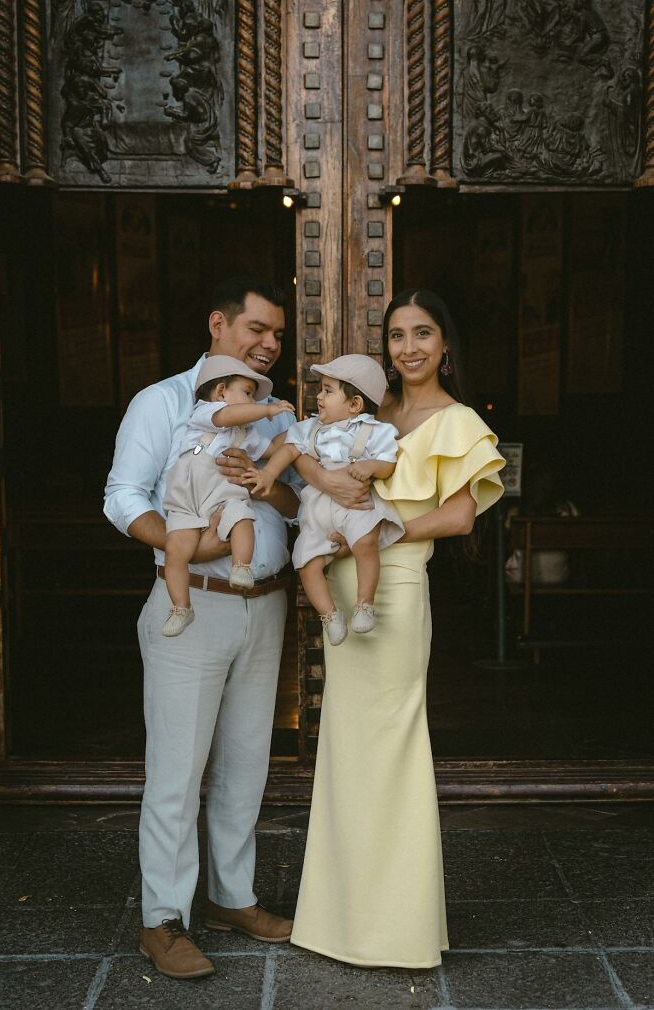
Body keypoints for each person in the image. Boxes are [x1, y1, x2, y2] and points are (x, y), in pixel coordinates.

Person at [290, 289, 505, 968]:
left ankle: (397, 931)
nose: (408, 348)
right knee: (347, 746)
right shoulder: (368, 412)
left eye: (423, 333)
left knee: (393, 745)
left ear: (446, 345)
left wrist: (377, 535)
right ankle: (340, 923)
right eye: (398, 336)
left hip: (397, 584)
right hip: (341, 578)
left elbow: (462, 516)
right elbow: (313, 470)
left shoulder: (457, 419)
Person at [103, 278, 299, 980]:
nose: (268, 342)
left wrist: (263, 481)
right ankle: (164, 919)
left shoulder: (277, 416)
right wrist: (196, 548)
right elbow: (122, 495)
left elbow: (295, 499)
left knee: (247, 763)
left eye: (277, 333)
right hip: (192, 603)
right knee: (178, 773)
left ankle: (233, 898)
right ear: (217, 324)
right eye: (255, 328)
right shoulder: (162, 402)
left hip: (266, 601)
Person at [244, 355, 404, 646]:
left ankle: (365, 604)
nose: (318, 396)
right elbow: (288, 451)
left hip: (356, 504)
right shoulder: (309, 429)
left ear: (355, 404)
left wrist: (370, 467)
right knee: (306, 562)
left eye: (328, 391)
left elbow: (387, 463)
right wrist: (268, 473)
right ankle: (330, 615)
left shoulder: (374, 431)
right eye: (321, 389)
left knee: (366, 543)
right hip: (318, 507)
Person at [161, 355, 295, 635]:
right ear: (221, 391)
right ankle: (180, 606)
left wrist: (301, 433)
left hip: (223, 496)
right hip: (188, 502)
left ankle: (241, 567)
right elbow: (228, 416)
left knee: (242, 518)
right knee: (176, 551)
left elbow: (271, 449)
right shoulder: (205, 413)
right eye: (248, 393)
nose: (253, 402)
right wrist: (268, 411)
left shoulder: (244, 435)